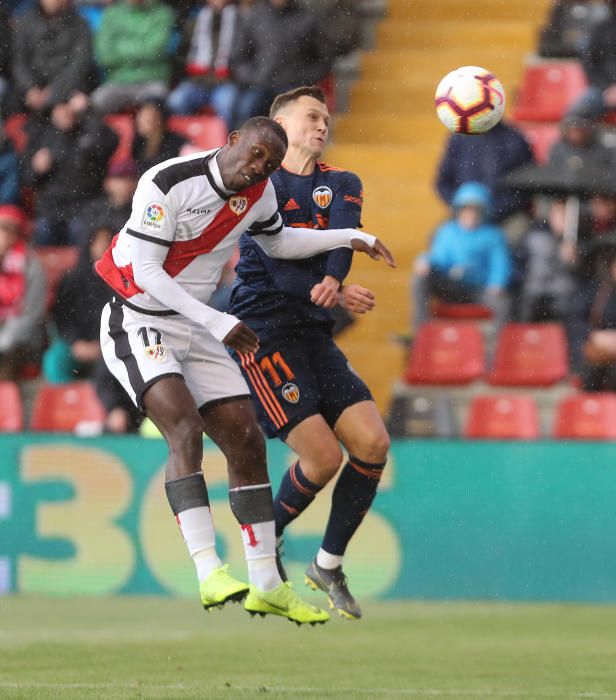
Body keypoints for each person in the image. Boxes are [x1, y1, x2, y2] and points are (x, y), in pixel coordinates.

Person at [95, 116, 394, 624]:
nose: (260, 168)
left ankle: (265, 582)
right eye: (255, 154)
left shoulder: (259, 194)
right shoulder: (168, 180)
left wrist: (350, 237)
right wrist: (218, 318)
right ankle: (209, 569)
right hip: (138, 317)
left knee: (246, 440)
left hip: (201, 325)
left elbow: (280, 243)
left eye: (271, 165)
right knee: (184, 426)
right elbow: (146, 271)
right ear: (231, 141)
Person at [227, 86, 389, 620]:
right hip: (263, 332)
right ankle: (262, 549)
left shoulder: (341, 182)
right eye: (311, 117)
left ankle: (328, 563)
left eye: (326, 118)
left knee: (372, 442)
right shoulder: (258, 187)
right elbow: (273, 265)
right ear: (279, 124)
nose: (322, 125)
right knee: (322, 458)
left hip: (314, 332)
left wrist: (335, 282)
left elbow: (342, 239)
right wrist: (337, 291)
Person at [44, 224, 141, 433]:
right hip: (78, 345)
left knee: (112, 360)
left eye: (107, 241)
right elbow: (62, 317)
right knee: (55, 360)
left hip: (114, 343)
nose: (102, 247)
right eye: (98, 241)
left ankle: (114, 416)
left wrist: (104, 344)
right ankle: (62, 412)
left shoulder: (123, 279)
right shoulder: (73, 279)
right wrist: (76, 342)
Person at [412, 182, 512, 331]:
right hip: (452, 288)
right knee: (420, 278)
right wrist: (424, 261)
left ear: (483, 212)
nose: (471, 215)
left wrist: (497, 283)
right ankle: (420, 333)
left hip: (480, 290)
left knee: (503, 304)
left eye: (475, 210)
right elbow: (437, 259)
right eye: (467, 210)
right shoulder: (447, 232)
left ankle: (498, 348)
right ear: (458, 211)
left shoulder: (493, 235)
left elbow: (500, 264)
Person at [22, 94, 118, 246]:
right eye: (61, 109)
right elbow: (26, 179)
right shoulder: (40, 136)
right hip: (51, 208)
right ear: (53, 111)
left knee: (80, 231)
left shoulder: (87, 132)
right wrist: (36, 169)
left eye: (70, 109)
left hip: (84, 207)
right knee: (43, 230)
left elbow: (110, 142)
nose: (67, 113)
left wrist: (89, 111)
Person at [227, 0, 334, 128]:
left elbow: (325, 57)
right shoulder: (254, 16)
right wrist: (253, 77)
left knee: (299, 122)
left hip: (293, 88)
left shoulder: (307, 18)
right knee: (244, 110)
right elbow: (238, 58)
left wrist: (304, 78)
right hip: (258, 87)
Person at [436, 119, 534, 228]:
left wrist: (494, 210)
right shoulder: (459, 138)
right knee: (441, 237)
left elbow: (526, 187)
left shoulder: (514, 138)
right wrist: (465, 206)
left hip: (507, 218)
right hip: (464, 217)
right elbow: (443, 182)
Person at [90, 0, 175, 114]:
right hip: (118, 83)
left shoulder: (162, 13)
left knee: (153, 110)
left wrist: (119, 48)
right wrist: (141, 46)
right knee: (92, 105)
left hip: (151, 81)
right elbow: (104, 56)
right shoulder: (111, 14)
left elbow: (154, 51)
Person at [165, 0, 240, 128]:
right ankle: (188, 140)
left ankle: (227, 145)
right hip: (197, 83)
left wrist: (232, 70)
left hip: (226, 83)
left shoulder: (240, 20)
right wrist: (188, 66)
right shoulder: (195, 19)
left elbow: (244, 54)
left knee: (227, 106)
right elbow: (182, 53)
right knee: (176, 101)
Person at [12, 0, 94, 116]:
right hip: (29, 94)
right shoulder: (26, 23)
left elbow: (78, 66)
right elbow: (19, 63)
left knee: (80, 106)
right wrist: (30, 89)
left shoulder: (80, 25)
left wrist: (53, 93)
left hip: (68, 92)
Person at [0, 205, 46, 380]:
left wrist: (5, 339)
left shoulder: (31, 265)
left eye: (10, 229)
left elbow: (33, 313)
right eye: (2, 228)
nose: (5, 235)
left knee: (9, 355)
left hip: (23, 336)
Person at [131, 100, 188, 176]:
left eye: (147, 120)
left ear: (159, 119)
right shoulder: (138, 142)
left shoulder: (175, 142)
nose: (141, 122)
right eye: (140, 118)